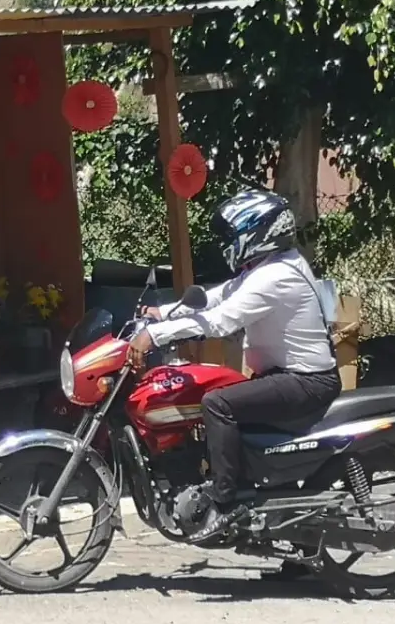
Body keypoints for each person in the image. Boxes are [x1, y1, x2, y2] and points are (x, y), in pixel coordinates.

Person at [126, 190, 341, 553]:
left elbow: (222, 320)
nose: (227, 244)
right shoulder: (269, 267)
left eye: (231, 236)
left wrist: (155, 335)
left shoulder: (275, 275)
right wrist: (162, 313)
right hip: (285, 377)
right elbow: (216, 296)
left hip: (305, 382)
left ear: (256, 233)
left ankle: (223, 502)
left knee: (217, 403)